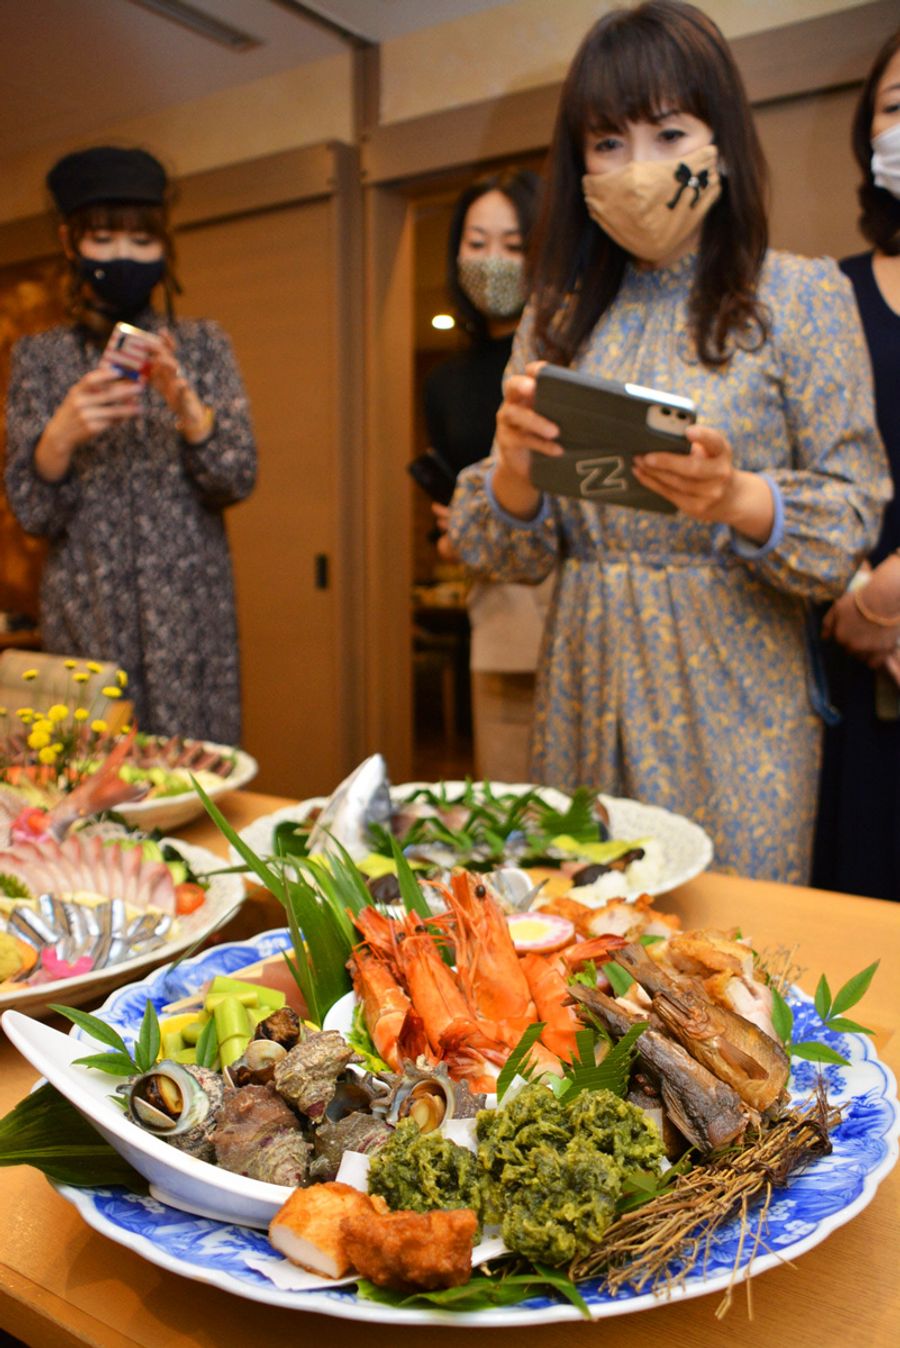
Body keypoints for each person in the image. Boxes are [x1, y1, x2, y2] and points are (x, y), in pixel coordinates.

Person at [448, 0, 891, 885]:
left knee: (738, 948)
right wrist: (514, 472)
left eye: (667, 133)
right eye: (607, 143)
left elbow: (851, 515)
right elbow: (498, 550)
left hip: (738, 691)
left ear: (720, 137)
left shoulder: (803, 299)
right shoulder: (557, 315)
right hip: (582, 679)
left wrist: (737, 499)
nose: (637, 169)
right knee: (589, 940)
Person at [5, 146, 256, 744]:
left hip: (191, 616)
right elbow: (34, 514)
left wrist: (191, 411)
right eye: (105, 238)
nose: (124, 256)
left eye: (142, 242)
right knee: (89, 780)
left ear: (165, 248)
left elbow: (236, 479)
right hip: (87, 607)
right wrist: (59, 435)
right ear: (70, 242)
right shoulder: (39, 359)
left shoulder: (203, 346)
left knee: (197, 774)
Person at [425, 169, 552, 781]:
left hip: (572, 600)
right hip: (496, 608)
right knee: (508, 800)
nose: (493, 260)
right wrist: (453, 531)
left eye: (513, 244)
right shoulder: (444, 382)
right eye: (477, 244)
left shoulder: (566, 352)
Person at [812, 29, 900, 901]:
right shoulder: (827, 294)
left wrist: (891, 595)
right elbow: (800, 468)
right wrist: (856, 591)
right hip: (850, 655)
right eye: (897, 108)